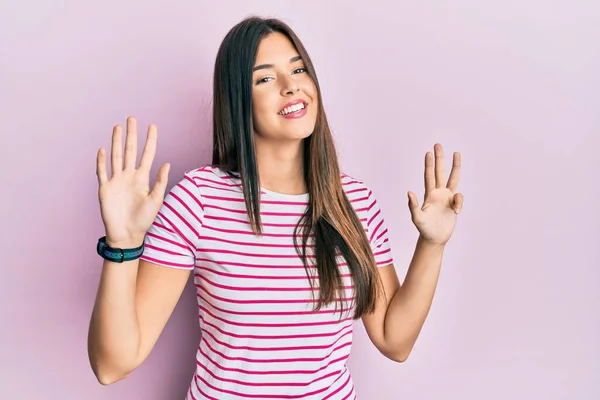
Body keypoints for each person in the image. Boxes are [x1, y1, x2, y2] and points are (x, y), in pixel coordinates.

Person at [87, 16, 463, 400]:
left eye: (299, 69)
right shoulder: (199, 199)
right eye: (265, 78)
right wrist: (124, 243)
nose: (291, 86)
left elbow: (393, 339)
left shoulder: (355, 203)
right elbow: (112, 364)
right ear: (239, 99)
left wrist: (432, 245)